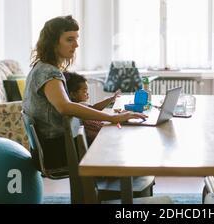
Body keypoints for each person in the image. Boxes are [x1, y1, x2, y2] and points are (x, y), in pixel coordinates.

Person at [22, 15, 146, 169]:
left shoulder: (42, 68)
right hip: (57, 150)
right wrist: (112, 117)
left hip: (55, 146)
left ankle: (116, 188)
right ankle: (119, 189)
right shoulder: (48, 72)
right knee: (118, 139)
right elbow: (65, 106)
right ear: (53, 42)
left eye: (76, 38)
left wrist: (111, 116)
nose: (76, 45)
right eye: (69, 39)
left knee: (114, 134)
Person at [64, 71, 120, 144]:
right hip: (96, 139)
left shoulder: (77, 107)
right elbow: (95, 108)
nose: (87, 93)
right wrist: (110, 99)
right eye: (84, 91)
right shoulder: (80, 105)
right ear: (73, 95)